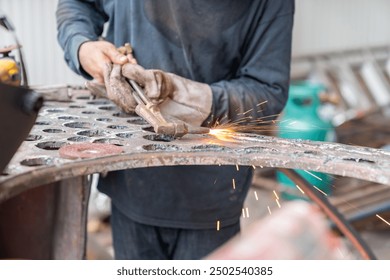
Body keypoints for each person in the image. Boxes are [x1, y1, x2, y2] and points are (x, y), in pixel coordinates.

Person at [56, 0, 295, 259]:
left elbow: (266, 93)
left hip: (210, 194)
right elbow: (78, 4)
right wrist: (82, 46)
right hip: (130, 179)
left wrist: (180, 96)